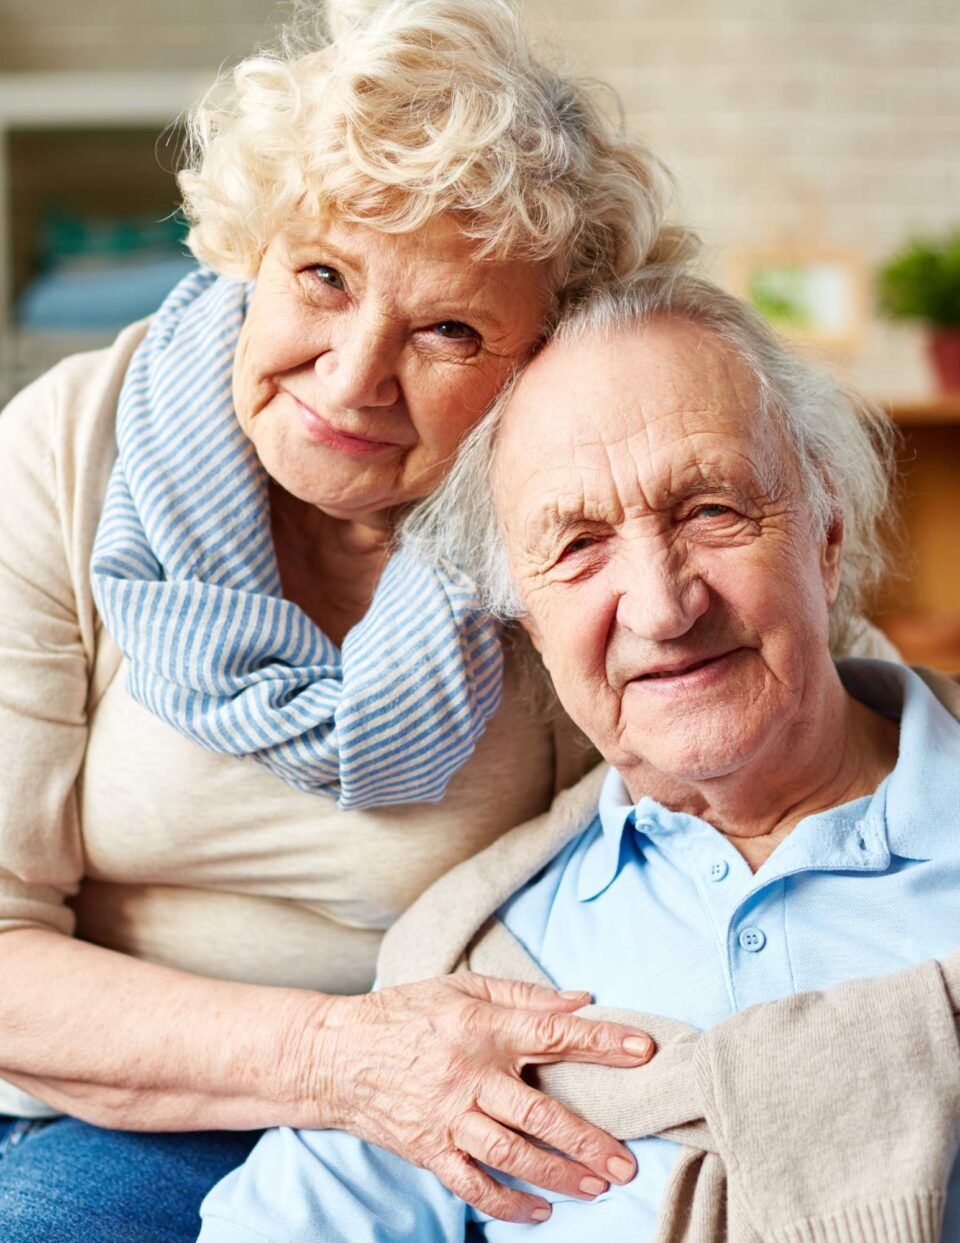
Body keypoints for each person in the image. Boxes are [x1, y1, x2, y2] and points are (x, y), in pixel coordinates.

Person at [0, 2, 719, 1237]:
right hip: (113, 1109)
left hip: (491, 1094)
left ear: (539, 360)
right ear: (252, 250)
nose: (352, 377)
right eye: (324, 277)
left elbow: (747, 777)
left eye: (449, 329)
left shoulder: (567, 508)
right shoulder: (67, 447)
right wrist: (343, 1060)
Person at [195, 271, 959, 1242]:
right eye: (580, 544)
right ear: (521, 615)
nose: (662, 606)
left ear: (826, 536)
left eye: (710, 510)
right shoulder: (476, 965)